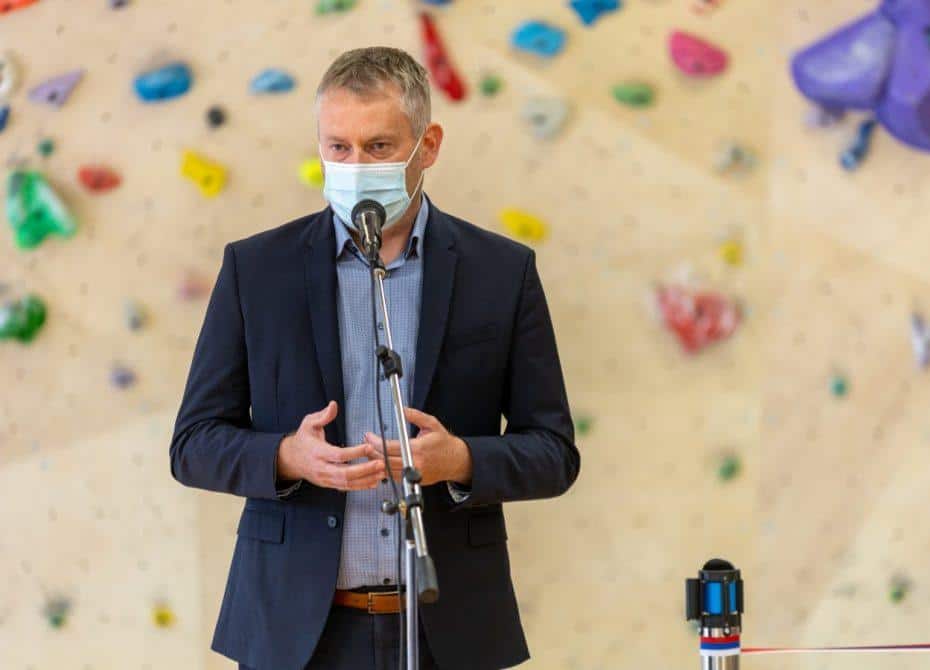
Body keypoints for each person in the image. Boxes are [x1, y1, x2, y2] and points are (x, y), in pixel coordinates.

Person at [169, 45, 580, 670]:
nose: (355, 166)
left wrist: (460, 460)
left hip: (451, 631)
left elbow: (554, 454)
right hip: (294, 633)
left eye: (379, 146)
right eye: (338, 147)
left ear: (428, 145)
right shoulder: (257, 270)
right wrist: (288, 457)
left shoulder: (502, 272)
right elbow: (192, 444)